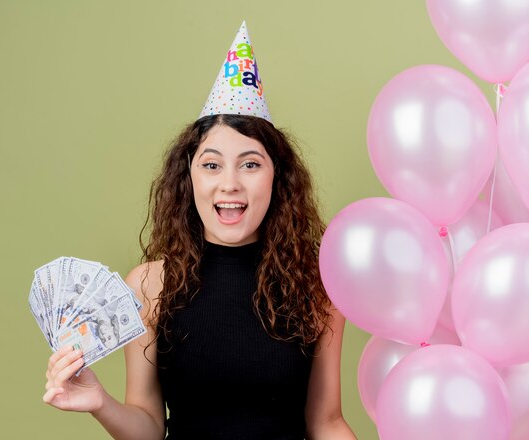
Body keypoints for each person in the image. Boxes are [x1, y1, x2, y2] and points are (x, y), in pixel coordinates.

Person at [43, 21, 356, 440]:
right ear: (189, 177)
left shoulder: (317, 288)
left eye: (250, 164)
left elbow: (326, 423)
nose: (229, 183)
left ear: (277, 178)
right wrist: (99, 401)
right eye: (211, 165)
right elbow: (149, 425)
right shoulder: (152, 286)